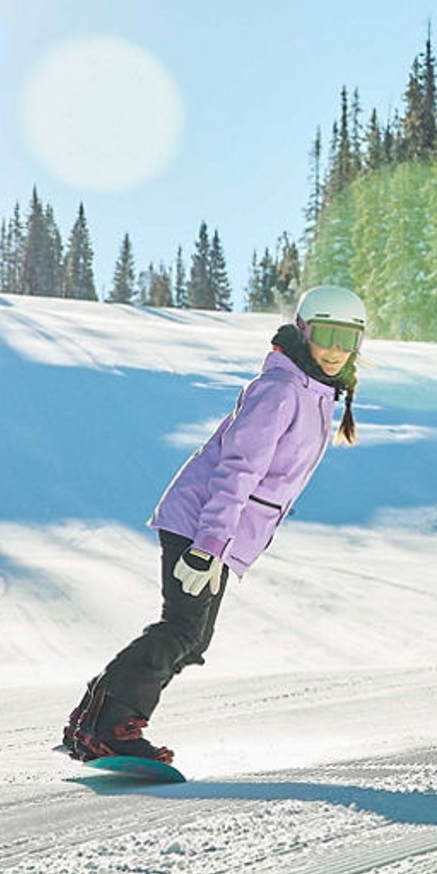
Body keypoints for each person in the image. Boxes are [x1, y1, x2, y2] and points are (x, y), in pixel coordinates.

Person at [61, 285, 369, 765]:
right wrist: (208, 544)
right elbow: (237, 469)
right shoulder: (282, 389)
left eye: (346, 339)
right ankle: (109, 727)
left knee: (192, 640)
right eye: (325, 335)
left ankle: (96, 717)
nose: (334, 349)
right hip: (203, 525)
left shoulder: (316, 393)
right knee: (181, 630)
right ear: (304, 331)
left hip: (219, 534)